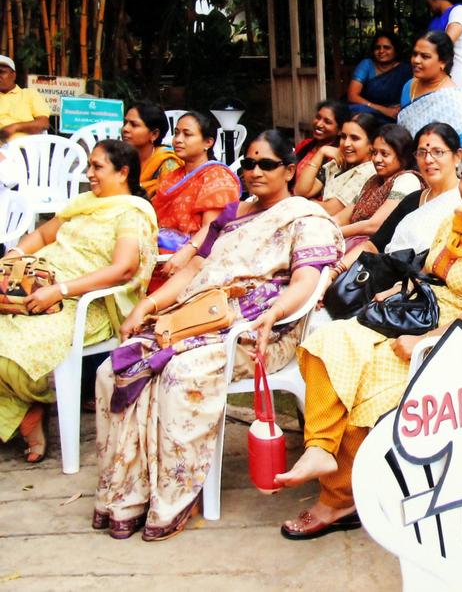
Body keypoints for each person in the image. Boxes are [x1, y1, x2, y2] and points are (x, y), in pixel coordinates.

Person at [93, 129, 344, 541]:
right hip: (196, 318)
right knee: (112, 370)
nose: (255, 171)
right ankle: (127, 494)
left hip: (260, 334)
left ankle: (175, 496)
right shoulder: (232, 214)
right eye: (248, 164)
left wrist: (274, 313)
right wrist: (147, 306)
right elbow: (194, 269)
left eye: (266, 164)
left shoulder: (306, 218)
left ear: (289, 170)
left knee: (181, 374)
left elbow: (305, 281)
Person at [273, 142, 462, 540]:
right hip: (412, 312)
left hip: (448, 336)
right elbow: (428, 274)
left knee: (368, 386)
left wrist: (428, 339)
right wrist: (394, 292)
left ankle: (339, 498)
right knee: (328, 342)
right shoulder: (455, 222)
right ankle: (320, 447)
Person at [0, 140, 157, 464]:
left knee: (13, 353)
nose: (89, 173)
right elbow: (43, 236)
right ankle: (26, 410)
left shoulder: (131, 213)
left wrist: (61, 291)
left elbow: (123, 268)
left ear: (123, 172)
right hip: (36, 287)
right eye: (89, 165)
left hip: (85, 304)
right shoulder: (83, 203)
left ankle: (29, 410)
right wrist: (13, 256)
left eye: (97, 166)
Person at [337, 122, 462, 273]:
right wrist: (336, 271)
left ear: (457, 156)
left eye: (438, 152)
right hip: (387, 276)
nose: (428, 159)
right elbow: (373, 245)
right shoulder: (412, 200)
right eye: (422, 152)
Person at [151, 111, 241, 284]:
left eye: (187, 134)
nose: (178, 139)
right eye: (176, 133)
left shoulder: (217, 177)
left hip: (195, 262)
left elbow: (212, 228)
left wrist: (186, 252)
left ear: (208, 143)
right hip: (160, 255)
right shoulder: (174, 176)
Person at [334, 123, 422, 250]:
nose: (376, 159)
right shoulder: (373, 181)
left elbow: (375, 225)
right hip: (349, 241)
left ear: (403, 156)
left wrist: (333, 233)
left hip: (374, 249)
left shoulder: (408, 180)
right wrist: (320, 227)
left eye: (384, 154)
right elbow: (342, 218)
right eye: (374, 153)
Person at [397, 30, 462, 152]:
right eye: (415, 54)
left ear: (443, 62)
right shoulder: (408, 86)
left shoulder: (455, 98)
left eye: (425, 56)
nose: (416, 60)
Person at [319, 113, 379, 216]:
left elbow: (330, 210)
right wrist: (321, 152)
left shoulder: (368, 172)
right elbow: (302, 190)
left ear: (371, 144)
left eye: (354, 138)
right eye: (343, 137)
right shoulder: (341, 162)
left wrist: (300, 201)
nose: (346, 144)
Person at [347, 31, 412, 122]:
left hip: (394, 113)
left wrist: (399, 108)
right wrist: (383, 110)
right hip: (368, 110)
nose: (381, 51)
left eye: (387, 47)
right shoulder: (367, 65)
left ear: (396, 50)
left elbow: (411, 96)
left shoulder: (404, 70)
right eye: (377, 47)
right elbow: (352, 96)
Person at [121, 102, 182, 198]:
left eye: (134, 125)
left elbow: (172, 201)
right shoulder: (119, 159)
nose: (125, 129)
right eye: (125, 123)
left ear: (154, 134)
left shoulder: (168, 165)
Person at [294, 100, 349, 200]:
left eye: (327, 122)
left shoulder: (337, 156)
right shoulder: (305, 144)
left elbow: (304, 193)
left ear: (340, 130)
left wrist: (322, 151)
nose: (319, 124)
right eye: (318, 117)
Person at [0, 54, 49, 143]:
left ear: (13, 75)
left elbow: (43, 123)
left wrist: (14, 127)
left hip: (27, 147)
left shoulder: (29, 94)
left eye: (1, 72)